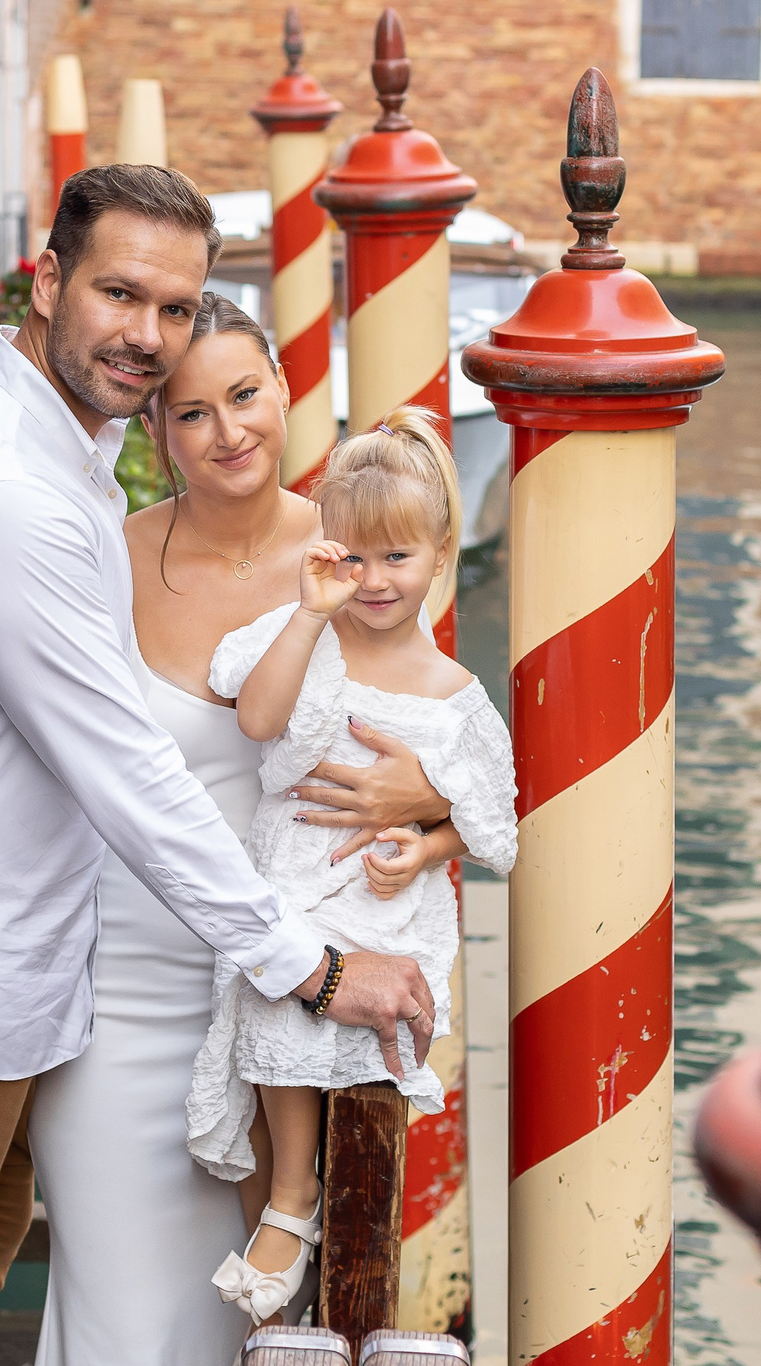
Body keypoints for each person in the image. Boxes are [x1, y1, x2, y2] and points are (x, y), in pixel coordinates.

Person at [0, 166, 436, 1366]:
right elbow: (124, 767)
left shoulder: (59, 452)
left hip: (9, 993)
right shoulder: (10, 492)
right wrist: (316, 970)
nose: (147, 334)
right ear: (47, 281)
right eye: (120, 294)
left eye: (174, 308)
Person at [186, 410, 517, 1322]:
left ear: (440, 553)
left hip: (384, 903)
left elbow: (494, 823)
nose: (373, 581)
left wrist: (429, 842)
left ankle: (337, 1228)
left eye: (397, 558)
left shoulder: (454, 696)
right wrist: (307, 611)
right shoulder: (308, 639)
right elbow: (258, 718)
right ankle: (291, 1193)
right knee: (280, 979)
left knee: (358, 1033)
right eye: (354, 557)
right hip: (291, 881)